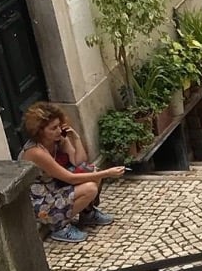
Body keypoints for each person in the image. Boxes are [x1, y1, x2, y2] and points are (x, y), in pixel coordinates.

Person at [20, 102, 125, 243]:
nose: (59, 131)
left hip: (55, 187)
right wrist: (106, 173)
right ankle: (59, 227)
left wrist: (75, 138)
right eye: (53, 128)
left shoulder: (57, 141)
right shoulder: (36, 152)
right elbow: (70, 178)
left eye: (59, 126)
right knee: (90, 188)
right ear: (40, 131)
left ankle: (88, 214)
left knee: (91, 170)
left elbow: (79, 162)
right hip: (41, 201)